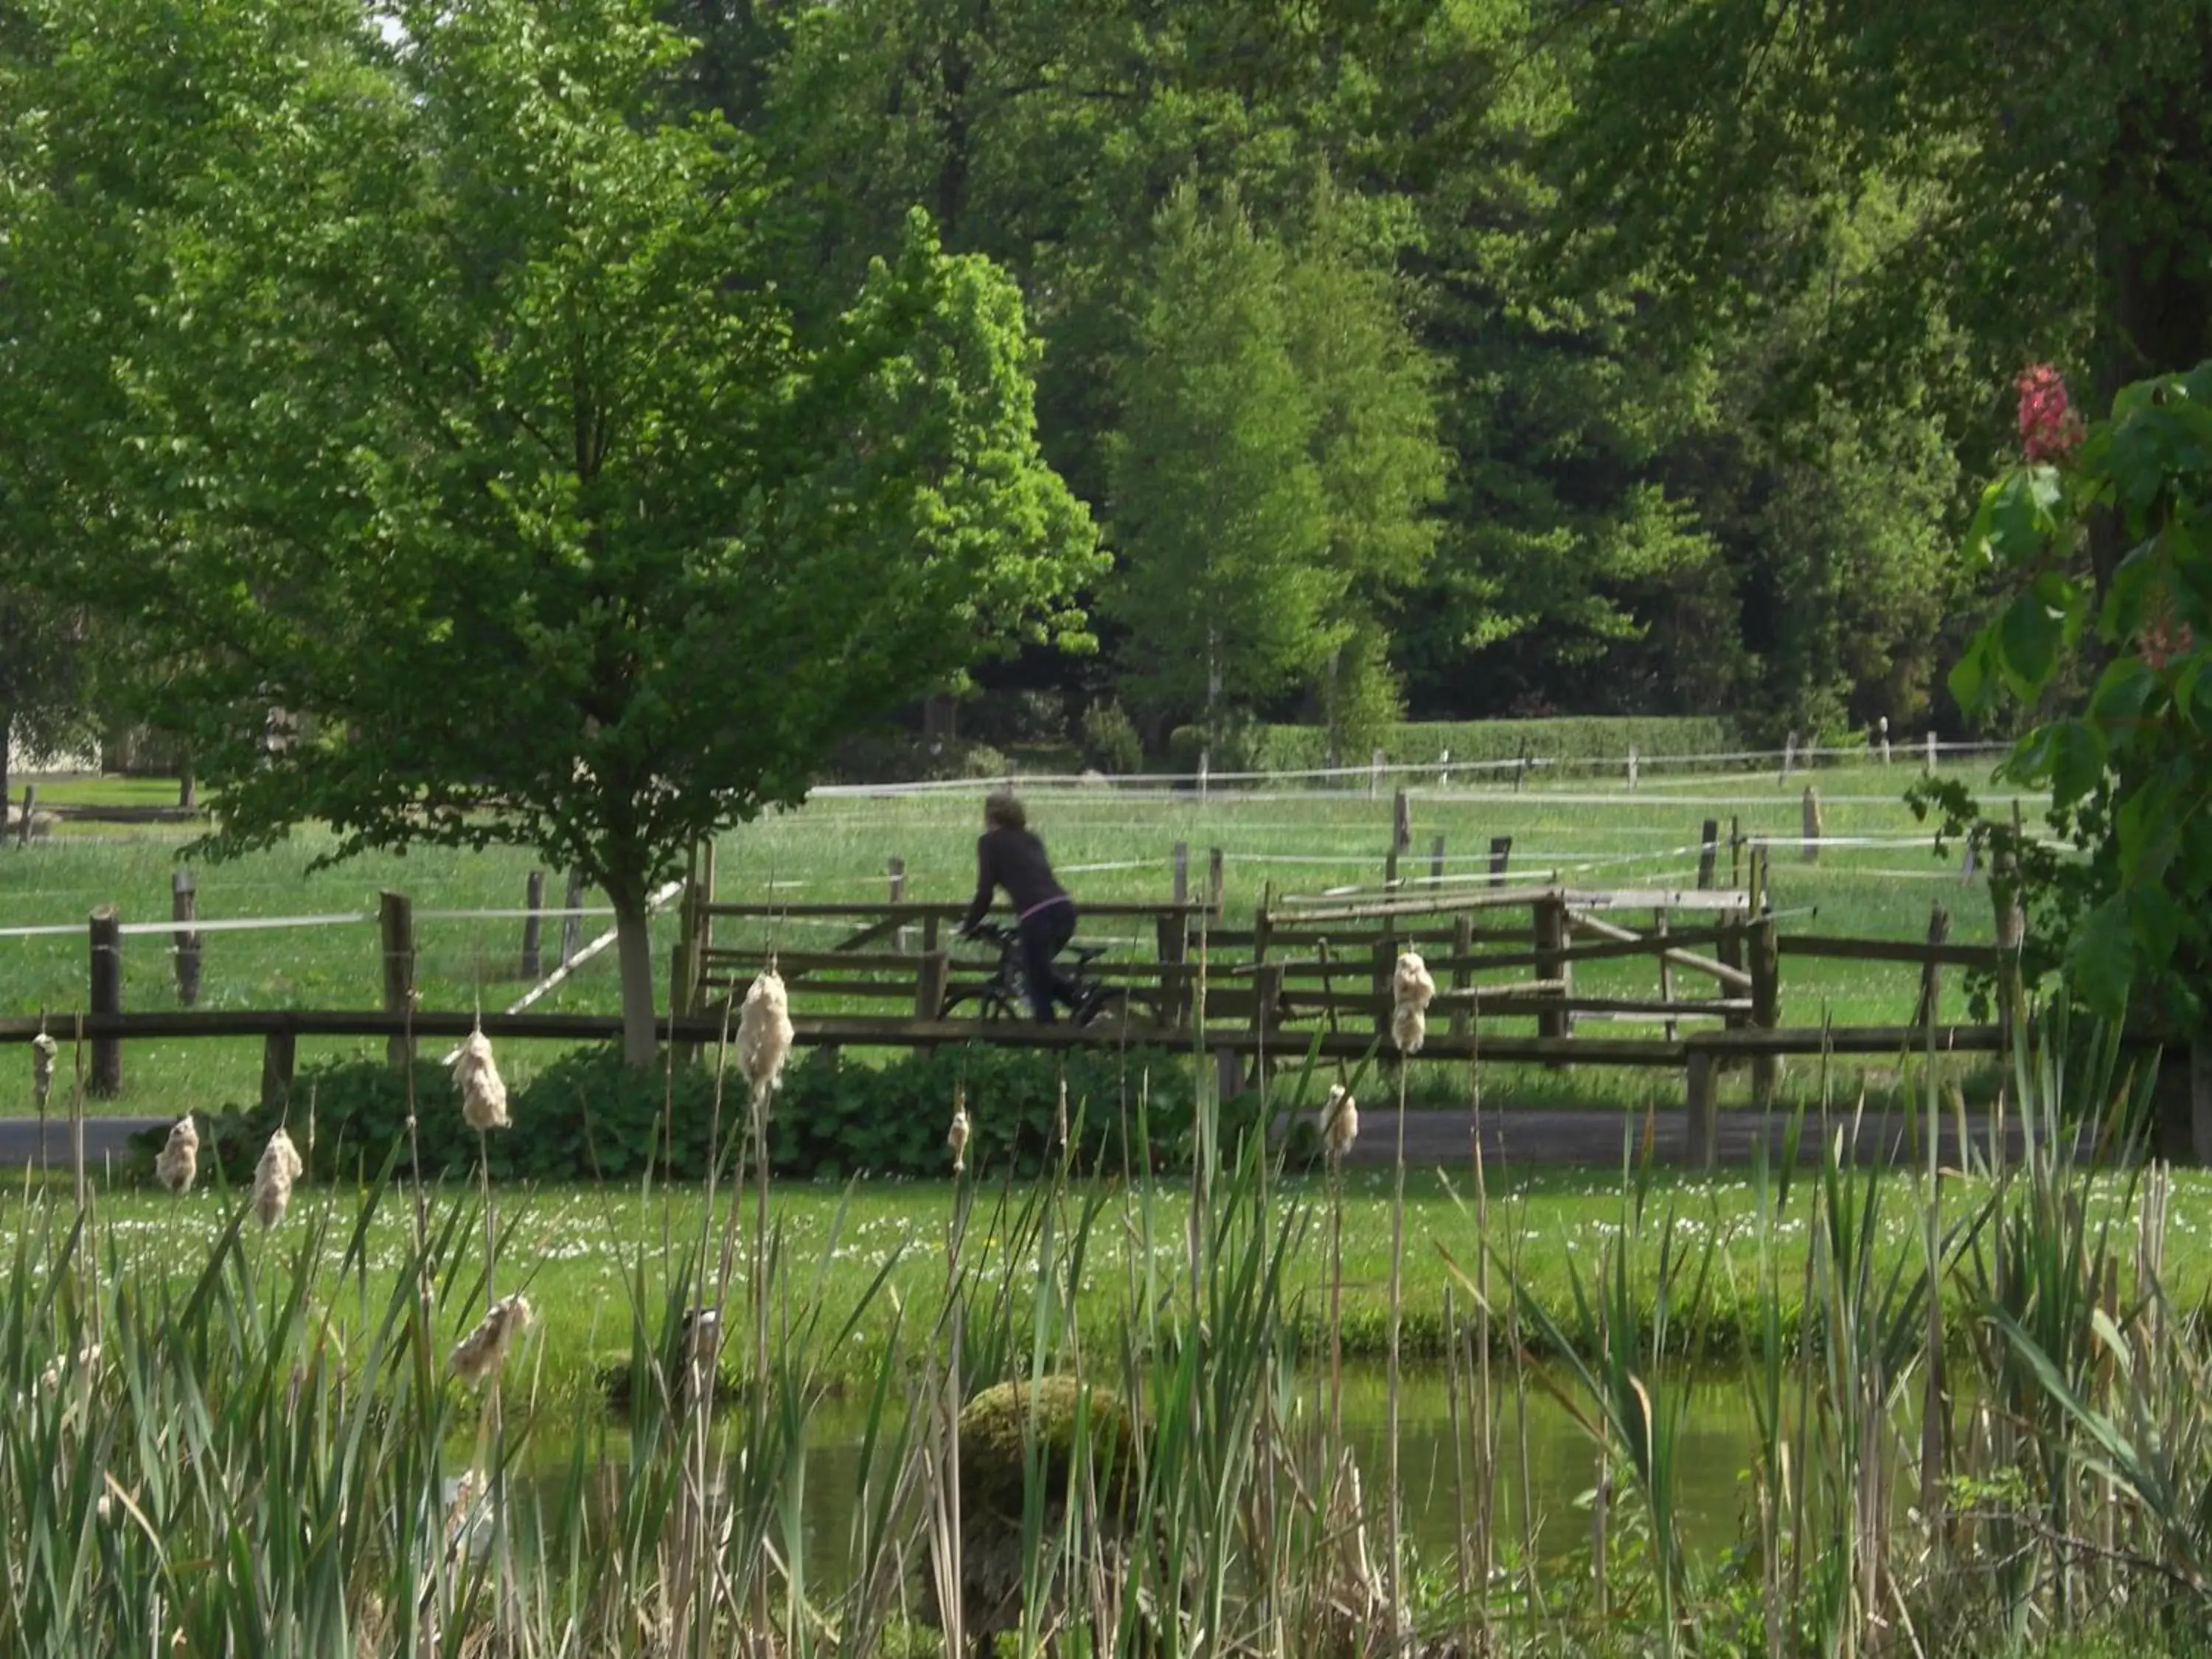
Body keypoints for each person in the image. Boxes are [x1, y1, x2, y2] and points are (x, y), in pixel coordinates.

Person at [959, 790, 1076, 1020]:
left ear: (990, 816)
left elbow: (985, 893)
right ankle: (1083, 1003)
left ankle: (1049, 1037)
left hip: (1036, 915)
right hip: (1063, 908)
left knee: (1034, 982)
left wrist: (968, 924)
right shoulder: (1032, 838)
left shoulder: (989, 842)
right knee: (1035, 969)